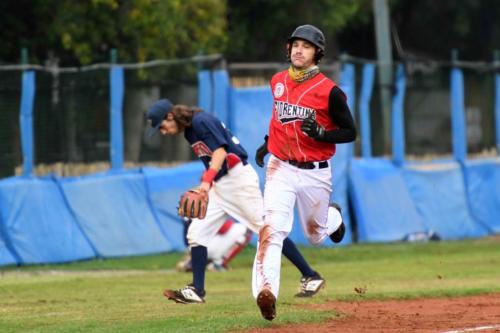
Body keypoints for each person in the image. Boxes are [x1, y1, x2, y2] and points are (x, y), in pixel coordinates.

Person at [146, 98, 328, 304]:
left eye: (162, 126)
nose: (163, 131)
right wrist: (208, 184)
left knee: (266, 230)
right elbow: (213, 161)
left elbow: (220, 152)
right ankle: (197, 289)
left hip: (238, 181)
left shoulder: (200, 121)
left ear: (170, 116)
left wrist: (205, 184)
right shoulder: (189, 130)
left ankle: (310, 275)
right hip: (221, 185)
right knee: (196, 232)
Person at [252, 24, 357, 321]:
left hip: (315, 172)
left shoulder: (330, 92)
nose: (299, 49)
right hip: (281, 167)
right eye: (295, 44)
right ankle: (267, 292)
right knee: (271, 229)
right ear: (289, 49)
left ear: (317, 54)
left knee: (315, 235)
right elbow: (279, 120)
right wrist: (266, 144)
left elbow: (350, 132)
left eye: (306, 46)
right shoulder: (277, 81)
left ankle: (333, 218)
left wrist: (323, 133)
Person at [175, 217, 252, 272]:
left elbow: (186, 241)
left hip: (194, 248)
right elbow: (224, 229)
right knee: (246, 231)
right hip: (207, 247)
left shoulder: (189, 210)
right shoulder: (206, 208)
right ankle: (219, 264)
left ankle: (194, 262)